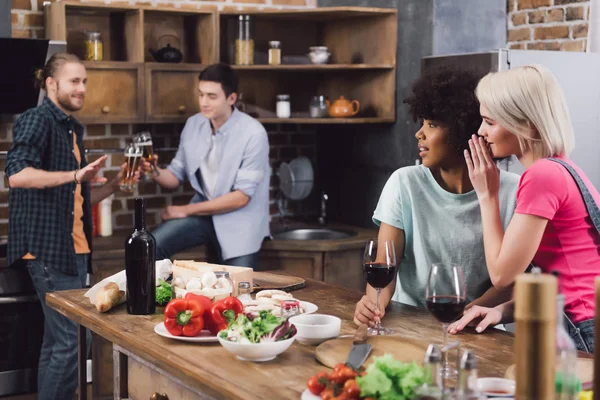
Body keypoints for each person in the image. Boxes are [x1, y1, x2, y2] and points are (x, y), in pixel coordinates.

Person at [354, 66, 520, 328]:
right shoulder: (404, 183)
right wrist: (373, 304)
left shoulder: (515, 192)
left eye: (432, 125)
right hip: (408, 324)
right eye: (421, 123)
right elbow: (384, 268)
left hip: (479, 330)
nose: (419, 133)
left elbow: (513, 282)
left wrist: (465, 314)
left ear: (464, 131)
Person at [449, 64, 599, 354]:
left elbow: (503, 276)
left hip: (582, 333)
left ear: (527, 124)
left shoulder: (542, 176)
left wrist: (487, 195)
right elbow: (563, 283)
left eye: (489, 122)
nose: (481, 132)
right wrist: (500, 312)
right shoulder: (564, 169)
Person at [5, 53, 131, 400]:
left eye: (84, 81)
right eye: (74, 81)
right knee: (75, 338)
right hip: (47, 249)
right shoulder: (37, 119)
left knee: (59, 341)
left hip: (74, 248)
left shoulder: (72, 128)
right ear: (50, 83)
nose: (81, 88)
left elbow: (76, 194)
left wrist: (118, 182)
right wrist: (76, 174)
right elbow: (17, 175)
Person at [142, 63, 270, 269]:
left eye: (212, 96)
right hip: (204, 215)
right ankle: (157, 298)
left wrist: (185, 209)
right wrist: (154, 170)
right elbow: (175, 176)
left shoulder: (253, 134)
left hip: (240, 223)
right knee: (148, 247)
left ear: (232, 98)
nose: (203, 102)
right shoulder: (194, 124)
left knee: (238, 292)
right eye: (201, 94)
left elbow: (241, 197)